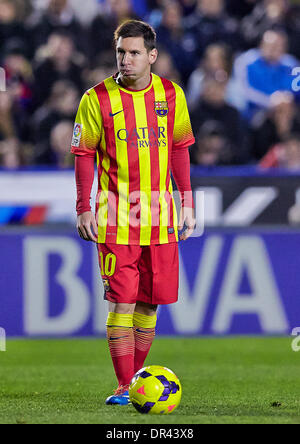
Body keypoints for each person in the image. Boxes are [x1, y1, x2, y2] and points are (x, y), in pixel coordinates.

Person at [70, 20, 196, 405]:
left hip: (159, 215)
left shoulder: (172, 95)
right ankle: (125, 386)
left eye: (135, 53)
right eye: (122, 52)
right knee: (121, 301)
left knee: (148, 302)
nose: (126, 60)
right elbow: (83, 153)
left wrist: (188, 201)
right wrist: (83, 206)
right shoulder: (96, 98)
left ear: (152, 56)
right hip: (114, 215)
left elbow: (178, 149)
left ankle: (137, 378)